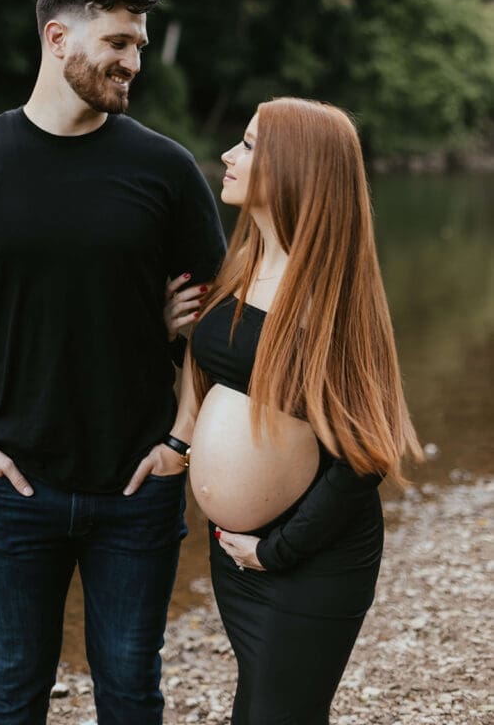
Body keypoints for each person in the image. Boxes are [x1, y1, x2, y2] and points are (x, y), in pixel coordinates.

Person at [0, 0, 225, 725]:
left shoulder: (163, 168)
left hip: (137, 486)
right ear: (58, 38)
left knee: (129, 691)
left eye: (140, 45)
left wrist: (179, 444)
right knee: (13, 691)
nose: (133, 62)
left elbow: (221, 324)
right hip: (12, 485)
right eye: (119, 42)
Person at [174, 97, 423, 725]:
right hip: (240, 556)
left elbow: (367, 455)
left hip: (308, 561)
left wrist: (279, 550)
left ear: (296, 168)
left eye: (250, 145)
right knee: (257, 709)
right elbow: (232, 372)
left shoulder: (328, 299)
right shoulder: (247, 262)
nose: (229, 156)